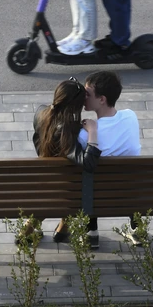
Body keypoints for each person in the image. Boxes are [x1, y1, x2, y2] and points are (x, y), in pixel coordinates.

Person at [31, 77, 102, 247]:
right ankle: (56, 230)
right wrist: (92, 133)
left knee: (66, 181)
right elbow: (89, 164)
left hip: (42, 177)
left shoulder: (41, 112)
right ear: (75, 106)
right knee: (78, 186)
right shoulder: (67, 133)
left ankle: (55, 230)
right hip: (60, 187)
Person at [77, 71, 143, 244]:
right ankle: (136, 228)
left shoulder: (85, 135)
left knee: (88, 178)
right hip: (131, 193)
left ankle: (91, 232)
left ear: (102, 99)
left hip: (98, 197)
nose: (83, 97)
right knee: (128, 174)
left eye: (87, 94)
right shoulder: (131, 116)